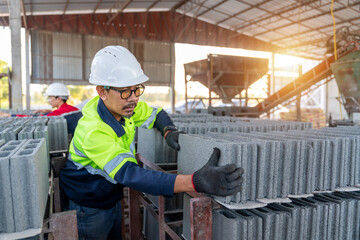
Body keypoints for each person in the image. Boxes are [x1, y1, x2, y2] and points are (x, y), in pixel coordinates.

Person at [59, 46, 244, 240]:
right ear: (102, 92)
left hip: (109, 196)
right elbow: (129, 174)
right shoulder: (93, 130)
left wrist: (168, 131)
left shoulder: (124, 107)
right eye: (125, 91)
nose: (134, 99)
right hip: (88, 205)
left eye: (137, 89)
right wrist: (194, 181)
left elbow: (156, 114)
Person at [0, 82, 79, 117]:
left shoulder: (58, 113)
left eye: (50, 97)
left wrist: (10, 115)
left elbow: (34, 118)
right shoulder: (73, 109)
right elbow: (63, 112)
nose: (49, 101)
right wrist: (49, 111)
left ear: (58, 98)